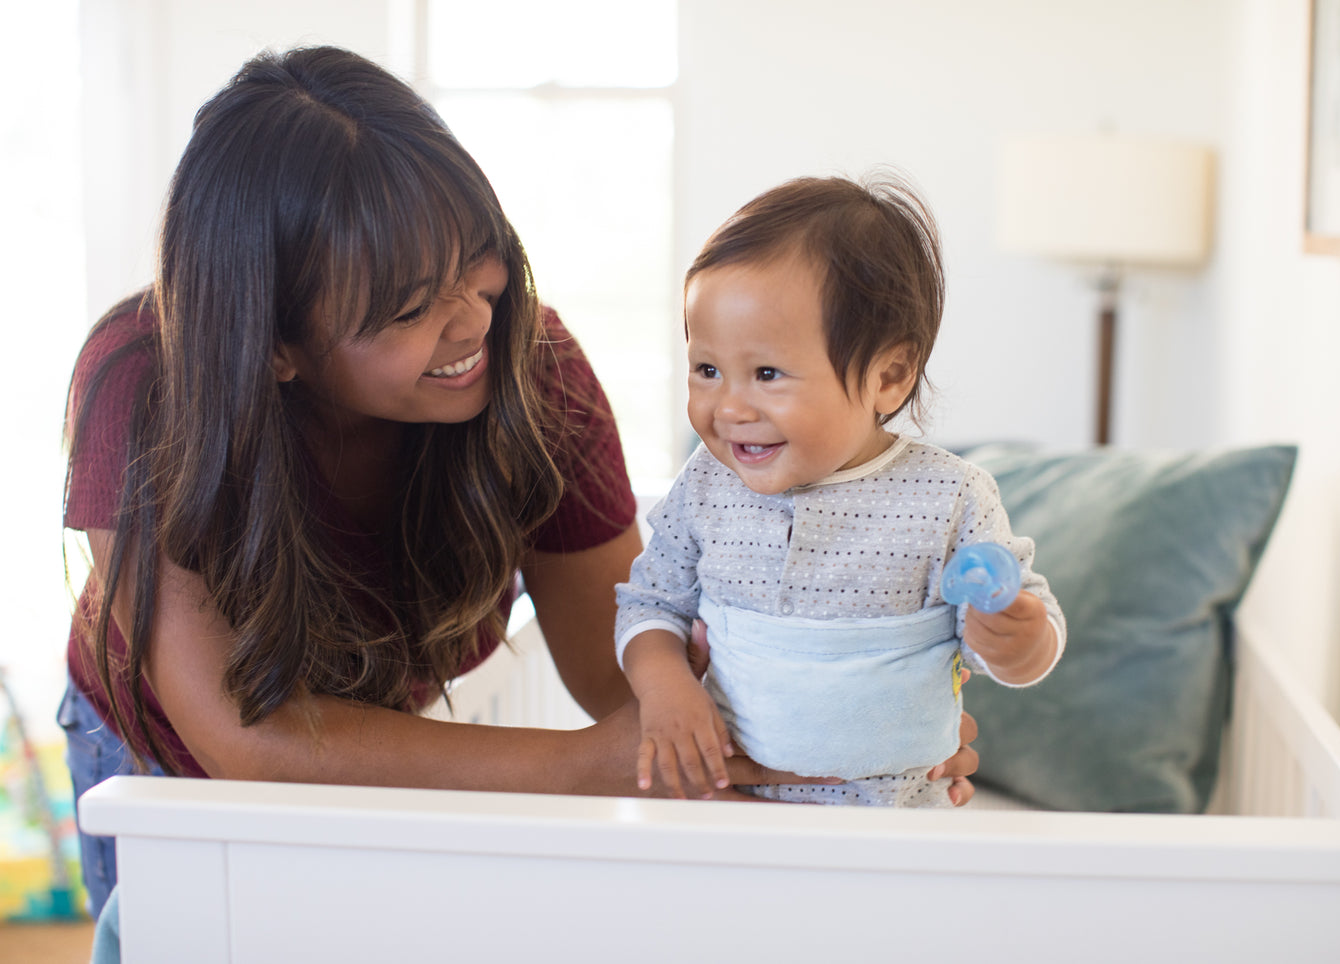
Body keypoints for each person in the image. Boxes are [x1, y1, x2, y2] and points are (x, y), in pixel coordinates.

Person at [59, 48, 983, 934]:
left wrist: (850, 735)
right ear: (276, 343)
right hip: (161, 764)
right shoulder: (142, 384)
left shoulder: (533, 370)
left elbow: (605, 664)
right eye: (410, 307)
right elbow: (247, 741)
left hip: (359, 744)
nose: (474, 320)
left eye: (476, 259)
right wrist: (589, 765)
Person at [616, 174, 1065, 806]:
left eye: (767, 373)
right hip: (726, 812)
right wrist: (666, 691)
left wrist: (1015, 639)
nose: (730, 407)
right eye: (707, 369)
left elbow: (1019, 631)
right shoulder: (706, 483)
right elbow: (649, 606)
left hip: (896, 826)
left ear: (890, 376)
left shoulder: (949, 496)